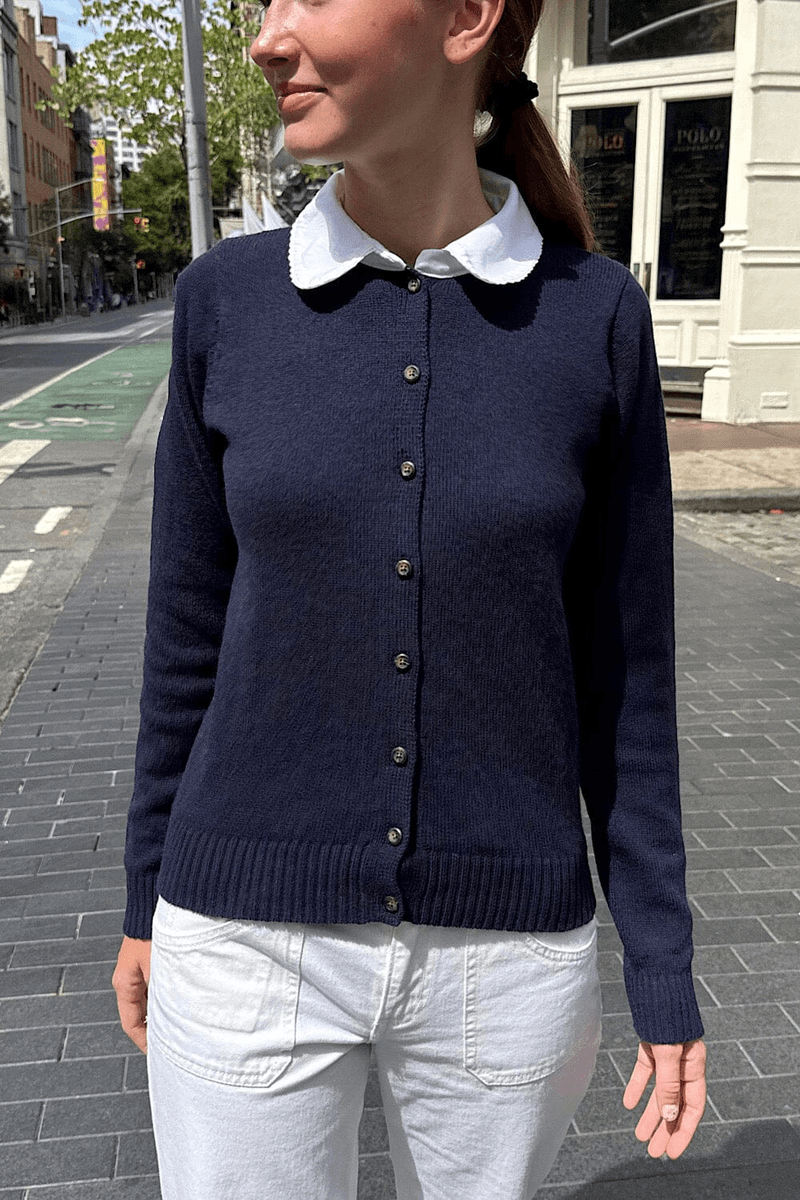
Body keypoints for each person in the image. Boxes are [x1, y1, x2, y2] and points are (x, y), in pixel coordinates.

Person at [112, 0, 708, 1195]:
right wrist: (144, 900)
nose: (266, 39)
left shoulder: (591, 316)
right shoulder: (225, 302)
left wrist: (657, 955)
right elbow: (184, 639)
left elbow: (625, 670)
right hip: (241, 941)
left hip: (507, 957)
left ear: (466, 18)